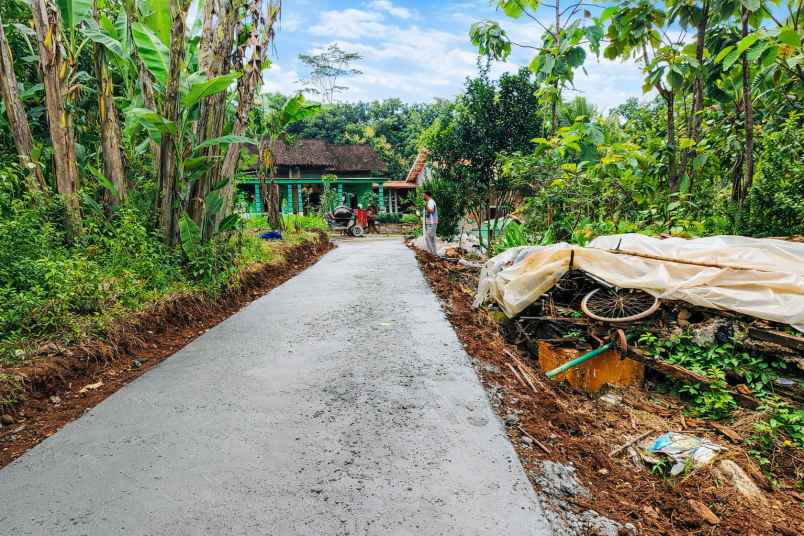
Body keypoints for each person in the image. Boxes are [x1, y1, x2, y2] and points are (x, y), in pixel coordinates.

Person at [422, 191, 438, 255]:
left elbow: (431, 210)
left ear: (427, 195)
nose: (423, 197)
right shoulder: (429, 202)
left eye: (423, 195)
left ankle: (431, 253)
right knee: (432, 238)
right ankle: (434, 253)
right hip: (431, 222)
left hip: (432, 222)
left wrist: (426, 206)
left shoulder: (431, 202)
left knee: (427, 237)